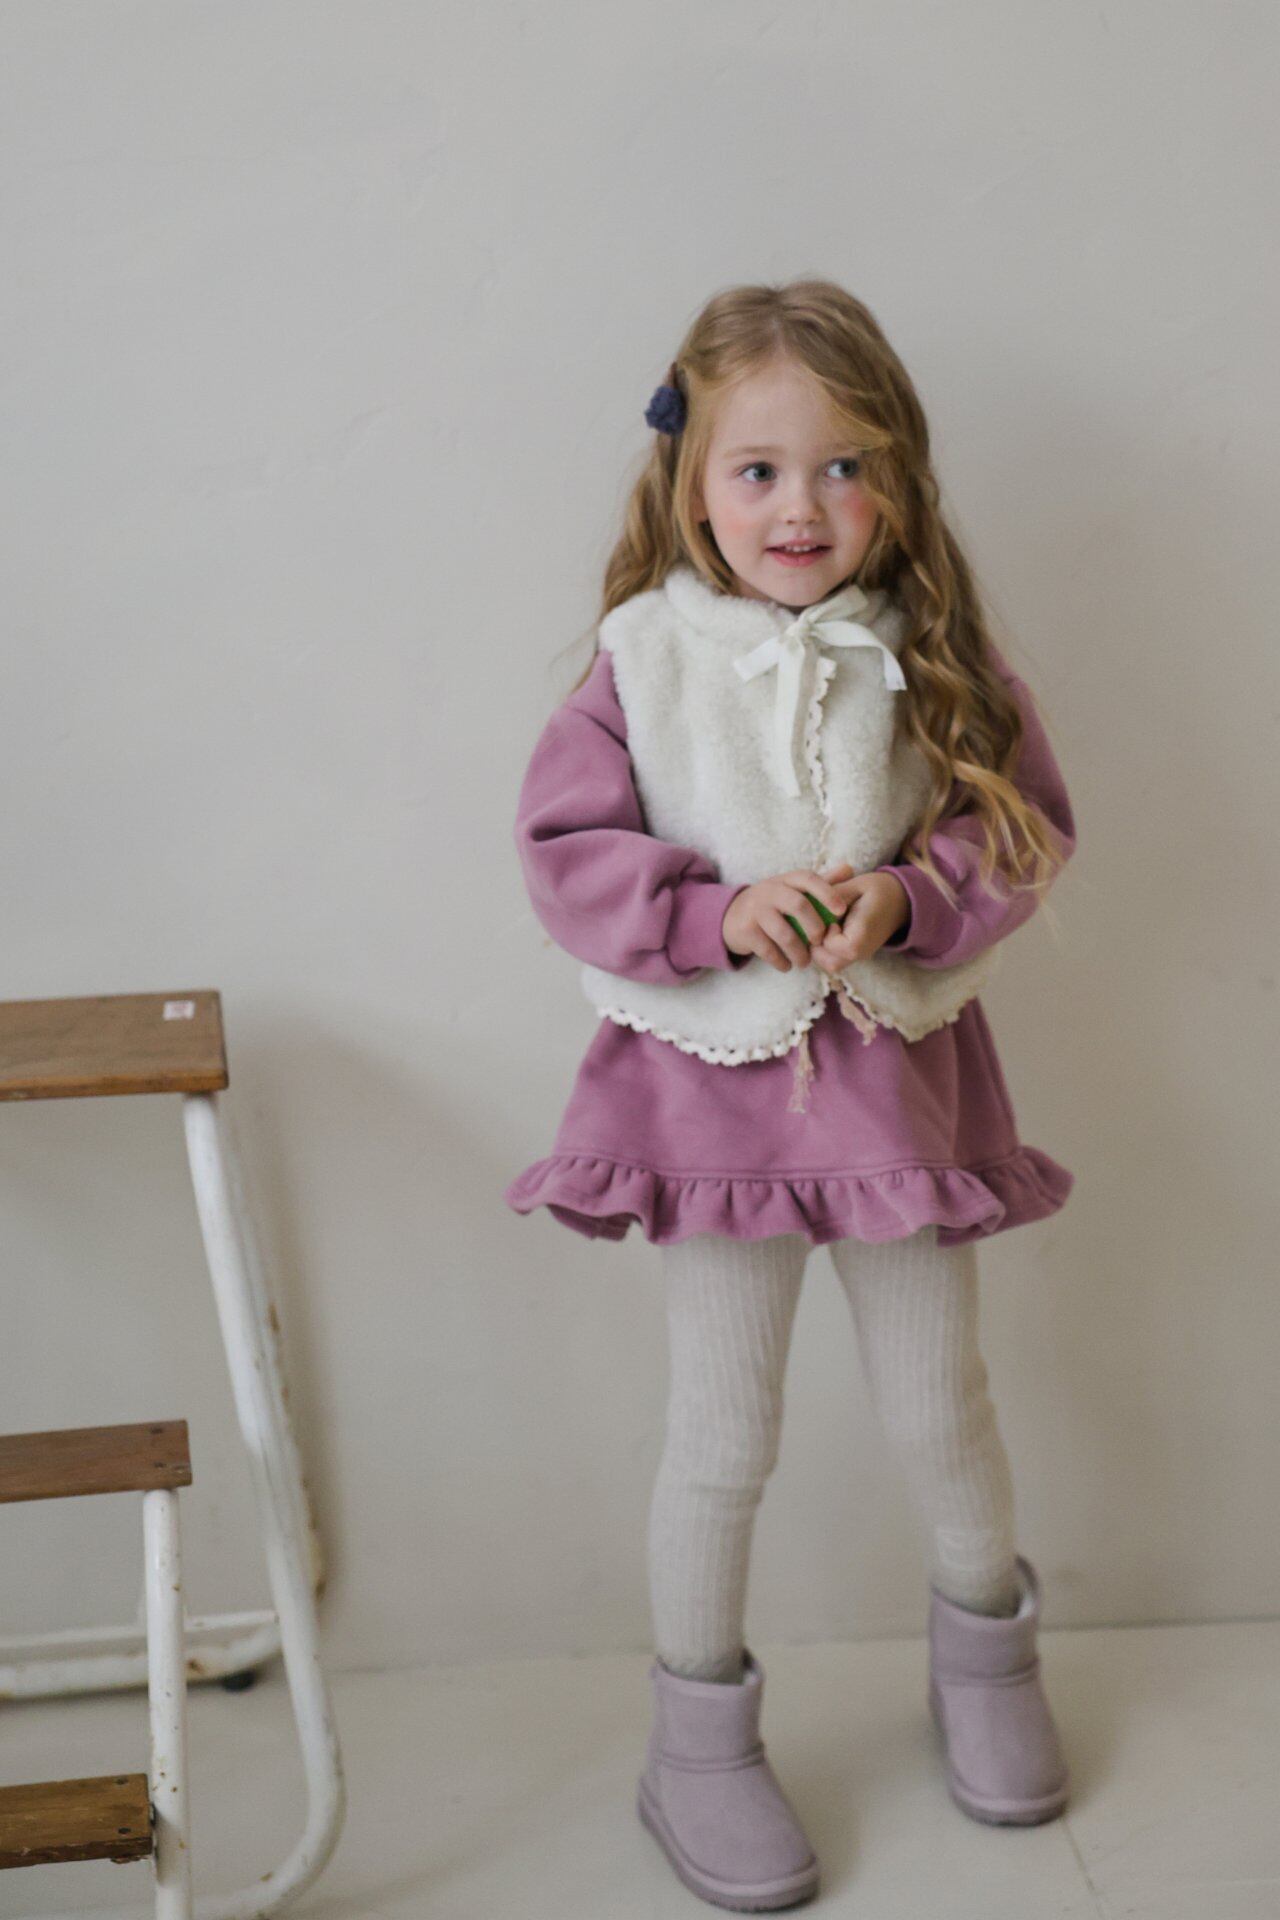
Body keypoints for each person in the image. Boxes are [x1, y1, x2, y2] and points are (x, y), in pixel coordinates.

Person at [504, 278, 1078, 1911]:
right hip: (710, 1109)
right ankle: (697, 1742)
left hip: (897, 1102)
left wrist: (906, 897)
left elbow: (1021, 826)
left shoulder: (934, 653)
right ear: (692, 482)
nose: (801, 506)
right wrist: (713, 915)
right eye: (758, 469)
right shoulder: (642, 660)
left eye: (844, 467)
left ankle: (987, 1662)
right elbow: (565, 850)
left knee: (940, 1404)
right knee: (722, 1431)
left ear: (897, 477)